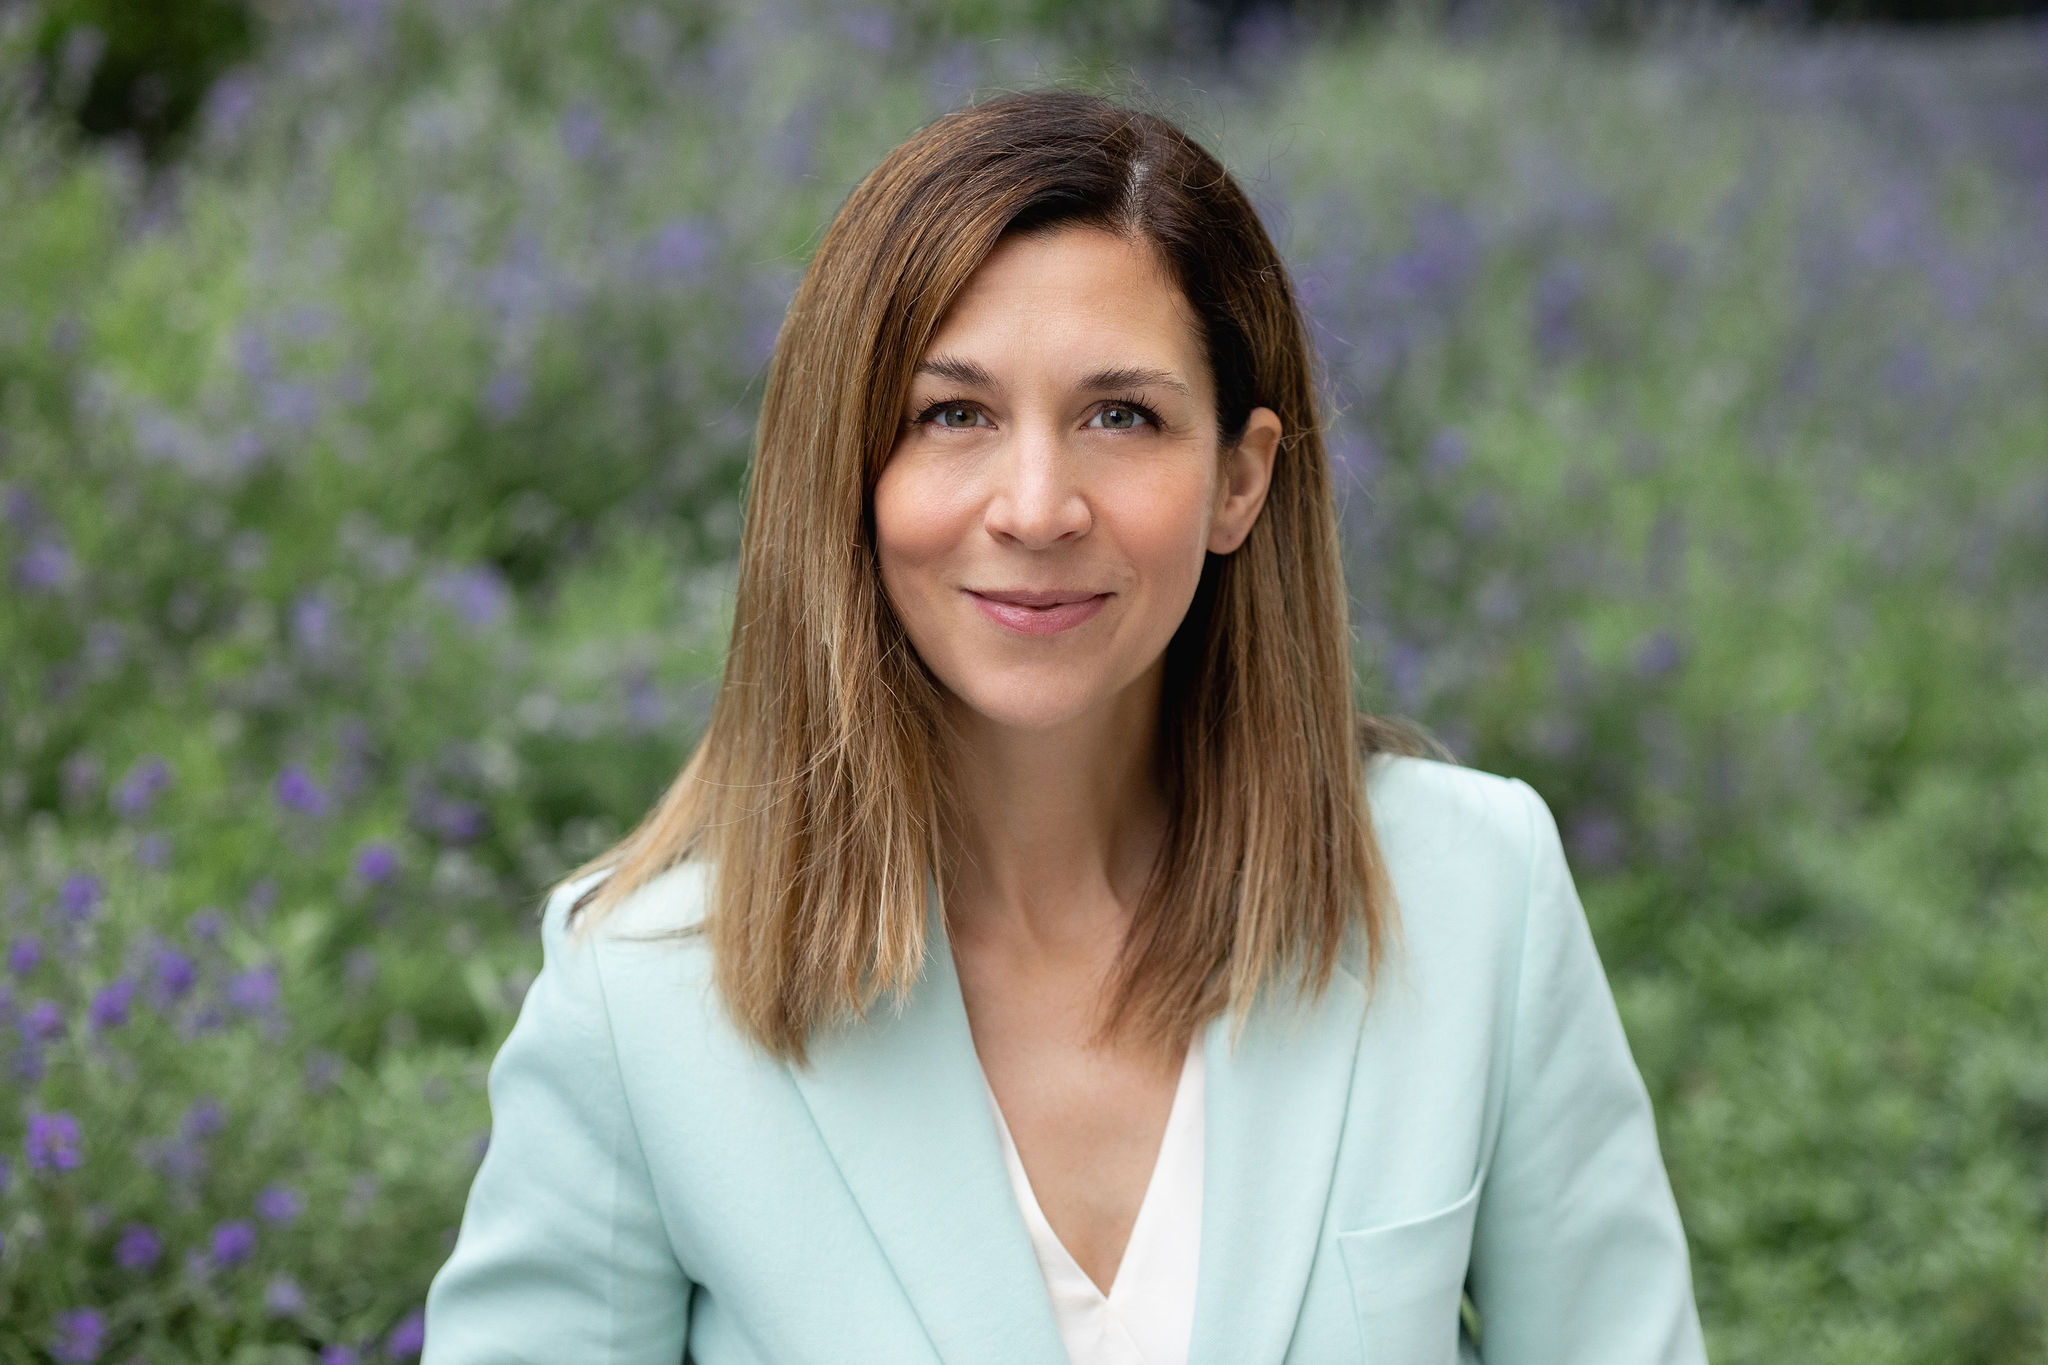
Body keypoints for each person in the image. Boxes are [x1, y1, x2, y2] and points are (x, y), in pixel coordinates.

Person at [419, 89, 1709, 1365]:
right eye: (953, 415)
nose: (1037, 508)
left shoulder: (1474, 891)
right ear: (847, 474)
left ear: (1240, 479)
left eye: (1121, 416)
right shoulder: (645, 994)